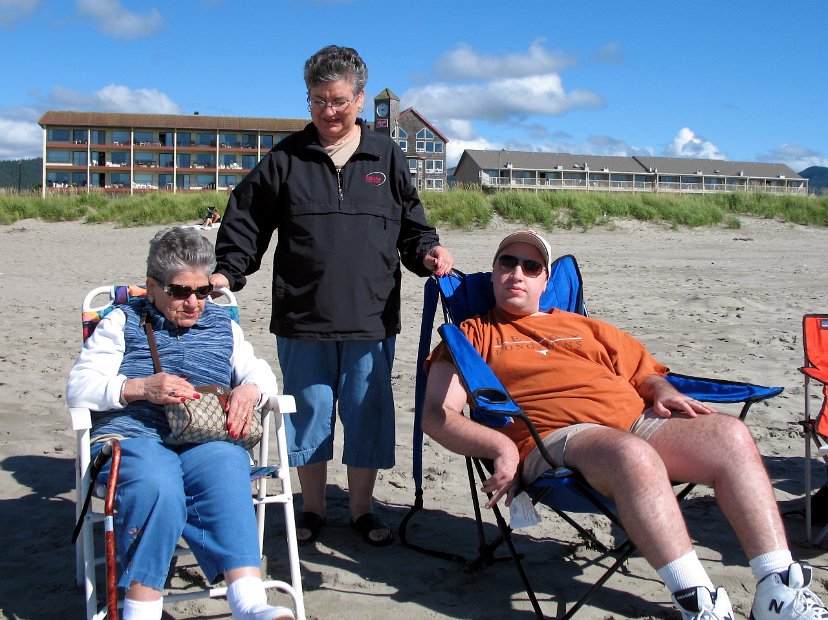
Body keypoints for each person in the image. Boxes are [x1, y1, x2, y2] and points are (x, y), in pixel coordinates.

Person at [422, 229, 828, 620]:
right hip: (555, 441)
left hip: (636, 420)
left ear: (545, 281)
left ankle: (779, 591)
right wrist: (502, 447)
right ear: (493, 272)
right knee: (632, 455)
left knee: (730, 435)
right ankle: (699, 601)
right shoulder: (471, 335)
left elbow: (644, 372)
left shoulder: (587, 328)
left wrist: (660, 388)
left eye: (531, 267)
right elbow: (438, 416)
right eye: (507, 262)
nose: (517, 273)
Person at [211, 45, 453, 547]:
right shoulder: (286, 158)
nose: (329, 110)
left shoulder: (387, 155)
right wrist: (228, 272)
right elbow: (246, 217)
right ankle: (313, 510)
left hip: (371, 317)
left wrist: (429, 253)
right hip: (303, 317)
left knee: (367, 416)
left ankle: (363, 511)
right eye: (318, 100)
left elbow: (413, 228)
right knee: (309, 418)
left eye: (339, 100)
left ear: (360, 98)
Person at [67, 227, 294, 620]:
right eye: (179, 292)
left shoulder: (223, 324)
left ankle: (249, 604)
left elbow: (260, 371)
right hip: (136, 434)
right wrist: (138, 387)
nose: (193, 303)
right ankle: (141, 609)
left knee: (227, 467)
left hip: (204, 436)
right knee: (158, 484)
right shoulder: (122, 322)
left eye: (202, 291)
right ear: (152, 287)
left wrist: (250, 390)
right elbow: (79, 388)